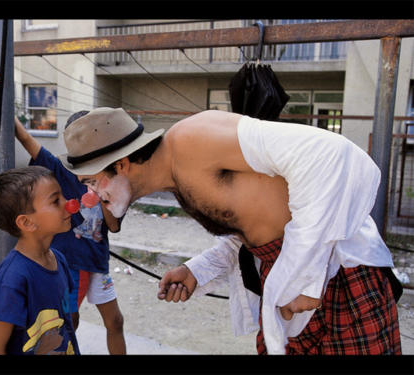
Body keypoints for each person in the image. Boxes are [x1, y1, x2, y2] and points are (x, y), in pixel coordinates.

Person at [57, 106, 401, 355]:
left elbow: (331, 156)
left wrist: (308, 279)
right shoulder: (174, 179)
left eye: (91, 181)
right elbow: (257, 225)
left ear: (121, 164)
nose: (91, 195)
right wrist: (199, 269)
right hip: (288, 282)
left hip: (341, 272)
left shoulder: (194, 139)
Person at [0, 66, 127, 354]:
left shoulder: (111, 180)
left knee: (113, 321)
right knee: (67, 319)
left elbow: (113, 225)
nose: (65, 204)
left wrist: (103, 191)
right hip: (72, 260)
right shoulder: (57, 173)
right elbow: (25, 138)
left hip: (96, 260)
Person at [0, 166, 80, 355]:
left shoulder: (59, 260)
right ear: (26, 222)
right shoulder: (12, 280)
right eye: (56, 200)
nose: (69, 203)